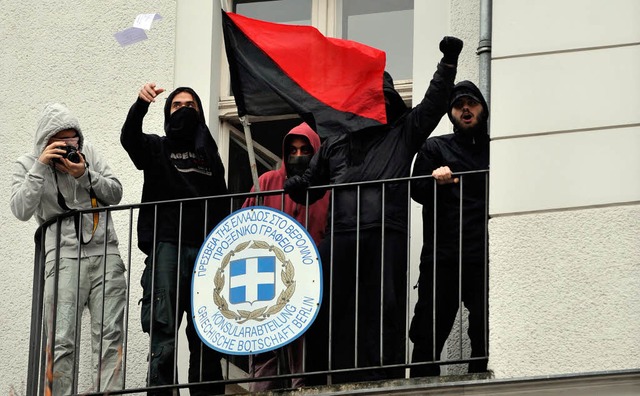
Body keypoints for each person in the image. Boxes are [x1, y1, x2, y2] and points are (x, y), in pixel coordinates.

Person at [284, 37, 463, 383]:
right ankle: (321, 375)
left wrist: (448, 63)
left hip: (385, 232)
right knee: (327, 306)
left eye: (378, 100)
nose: (372, 107)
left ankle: (384, 376)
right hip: (341, 234)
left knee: (384, 309)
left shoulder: (402, 132)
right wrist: (297, 185)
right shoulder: (335, 142)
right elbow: (311, 185)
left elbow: (434, 103)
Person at [10, 103, 126, 394]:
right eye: (60, 143)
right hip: (62, 258)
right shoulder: (27, 164)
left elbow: (115, 192)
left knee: (110, 334)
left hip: (105, 253)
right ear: (46, 143)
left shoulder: (90, 156)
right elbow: (21, 210)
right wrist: (39, 166)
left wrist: (84, 174)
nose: (68, 149)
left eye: (72, 141)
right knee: (61, 338)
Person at [121, 83, 229, 395]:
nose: (183, 109)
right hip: (167, 245)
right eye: (176, 105)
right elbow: (130, 139)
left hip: (207, 252)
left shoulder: (210, 156)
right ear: (168, 112)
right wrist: (141, 104)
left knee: (206, 332)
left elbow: (221, 201)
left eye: (190, 105)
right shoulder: (157, 147)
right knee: (163, 329)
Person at [409, 80, 490, 376]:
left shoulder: (496, 148)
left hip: (483, 254)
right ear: (451, 114)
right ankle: (419, 388)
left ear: (483, 109)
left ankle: (481, 383)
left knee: (485, 326)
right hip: (441, 255)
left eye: (471, 103)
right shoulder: (435, 147)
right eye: (458, 105)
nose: (465, 108)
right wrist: (435, 179)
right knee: (428, 327)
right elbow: (416, 190)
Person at [243, 122, 329, 391]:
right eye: (292, 150)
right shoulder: (267, 181)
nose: (298, 155)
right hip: (269, 277)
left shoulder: (326, 186)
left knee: (303, 346)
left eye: (305, 149)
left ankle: (300, 388)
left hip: (309, 278)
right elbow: (245, 224)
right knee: (266, 343)